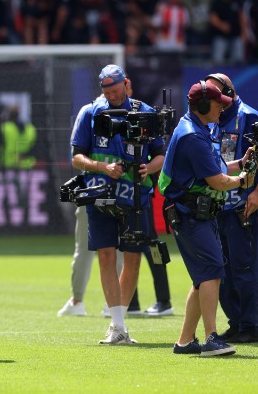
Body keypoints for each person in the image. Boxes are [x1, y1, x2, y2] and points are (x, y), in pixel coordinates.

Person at [70, 65, 165, 345]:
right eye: (106, 92)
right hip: (100, 194)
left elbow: (161, 154)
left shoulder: (145, 111)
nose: (111, 96)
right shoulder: (90, 113)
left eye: (115, 90)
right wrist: (103, 166)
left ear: (127, 84)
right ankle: (118, 325)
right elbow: (77, 157)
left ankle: (120, 322)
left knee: (134, 258)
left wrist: (148, 168)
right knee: (106, 256)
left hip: (136, 196)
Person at [159, 79, 254, 357]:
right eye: (217, 105)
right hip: (191, 216)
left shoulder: (199, 129)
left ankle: (186, 341)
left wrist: (241, 162)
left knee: (203, 278)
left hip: (199, 214)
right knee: (212, 270)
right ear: (202, 105)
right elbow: (217, 180)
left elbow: (218, 166)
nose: (222, 110)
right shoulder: (192, 135)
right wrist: (242, 180)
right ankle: (211, 337)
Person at [206, 74, 258, 343]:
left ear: (229, 93)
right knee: (221, 272)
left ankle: (251, 325)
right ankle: (236, 323)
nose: (212, 100)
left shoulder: (248, 116)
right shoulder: (211, 120)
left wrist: (257, 192)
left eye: (216, 95)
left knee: (244, 268)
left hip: (243, 206)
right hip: (218, 206)